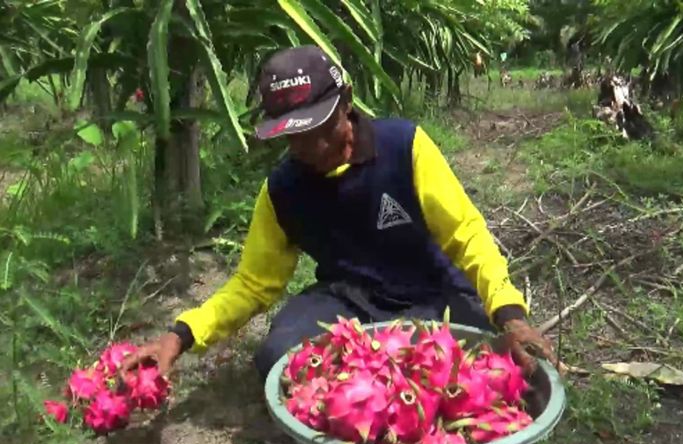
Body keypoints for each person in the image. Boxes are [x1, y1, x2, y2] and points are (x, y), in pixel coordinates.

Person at [122, 45, 556, 383]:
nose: (312, 149)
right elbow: (253, 284)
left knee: (497, 358)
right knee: (278, 357)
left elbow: (467, 234)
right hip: (349, 303)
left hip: (432, 294)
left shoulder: (406, 147)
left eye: (320, 130)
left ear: (345, 101)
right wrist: (179, 336)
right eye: (295, 139)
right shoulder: (282, 190)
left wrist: (510, 315)